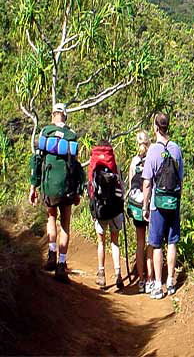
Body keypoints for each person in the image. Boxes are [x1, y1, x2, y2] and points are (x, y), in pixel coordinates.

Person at [29, 102, 84, 283]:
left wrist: (33, 186)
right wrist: (78, 191)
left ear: (53, 115)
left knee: (51, 218)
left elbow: (37, 160)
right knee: (65, 224)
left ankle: (52, 254)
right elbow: (75, 167)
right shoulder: (71, 135)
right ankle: (61, 265)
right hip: (67, 187)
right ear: (65, 116)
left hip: (49, 186)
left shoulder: (45, 132)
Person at [142, 113, 184, 299]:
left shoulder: (152, 151)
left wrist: (145, 206)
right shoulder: (176, 149)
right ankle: (171, 281)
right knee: (172, 242)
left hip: (157, 204)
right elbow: (181, 180)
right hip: (173, 202)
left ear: (156, 127)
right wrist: (177, 201)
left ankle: (158, 285)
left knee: (157, 244)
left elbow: (147, 183)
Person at [88, 139, 125, 290]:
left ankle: (102, 275)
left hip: (100, 209)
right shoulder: (114, 164)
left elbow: (91, 189)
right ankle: (118, 274)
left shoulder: (94, 164)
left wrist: (93, 210)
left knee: (101, 242)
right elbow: (121, 188)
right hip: (115, 209)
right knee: (114, 242)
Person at [127, 131, 154, 294]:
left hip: (136, 205)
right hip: (150, 204)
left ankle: (141, 279)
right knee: (152, 242)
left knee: (140, 242)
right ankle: (151, 279)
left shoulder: (134, 162)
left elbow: (131, 184)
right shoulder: (151, 160)